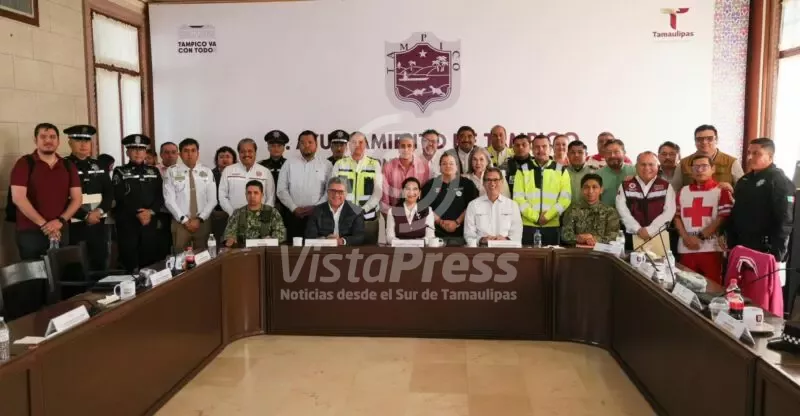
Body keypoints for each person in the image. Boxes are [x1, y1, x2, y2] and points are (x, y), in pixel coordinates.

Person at [10, 123, 82, 260]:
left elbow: (77, 198)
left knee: (61, 271)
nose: (48, 140)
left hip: (60, 230)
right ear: (35, 140)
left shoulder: (68, 165)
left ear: (58, 141)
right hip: (31, 232)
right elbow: (18, 198)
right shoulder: (24, 163)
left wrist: (60, 221)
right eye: (43, 137)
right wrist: (45, 225)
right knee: (34, 272)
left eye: (52, 137)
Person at [728, 138, 794, 262]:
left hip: (765, 248)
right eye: (749, 153)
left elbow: (785, 218)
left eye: (756, 153)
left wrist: (778, 250)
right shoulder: (744, 180)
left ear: (770, 156)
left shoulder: (778, 180)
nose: (750, 157)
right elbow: (736, 211)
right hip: (741, 244)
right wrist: (729, 238)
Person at [674, 155, 734, 285]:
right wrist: (686, 238)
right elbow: (677, 217)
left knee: (712, 287)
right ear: (691, 170)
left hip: (711, 248)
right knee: (685, 286)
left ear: (713, 169)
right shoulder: (683, 191)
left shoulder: (721, 191)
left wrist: (700, 237)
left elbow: (722, 217)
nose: (700, 170)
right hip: (686, 247)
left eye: (704, 166)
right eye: (696, 167)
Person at [112, 134, 164, 271]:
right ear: (127, 152)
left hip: (149, 222)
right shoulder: (120, 171)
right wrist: (138, 212)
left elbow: (160, 195)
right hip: (128, 223)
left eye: (141, 149)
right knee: (128, 262)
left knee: (150, 262)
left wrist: (150, 211)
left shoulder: (153, 171)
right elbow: (119, 197)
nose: (137, 152)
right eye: (133, 149)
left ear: (145, 152)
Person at [64, 125, 113, 271]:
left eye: (86, 140)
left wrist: (99, 211)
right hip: (73, 223)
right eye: (78, 140)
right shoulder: (63, 165)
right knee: (75, 265)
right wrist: (85, 215)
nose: (83, 144)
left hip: (98, 221)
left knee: (100, 261)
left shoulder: (99, 165)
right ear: (70, 143)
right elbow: (61, 197)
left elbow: (109, 193)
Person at [512, 134, 572, 246]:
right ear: (532, 149)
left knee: (551, 257)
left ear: (550, 148)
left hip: (552, 225)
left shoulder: (561, 170)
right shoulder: (522, 170)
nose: (541, 150)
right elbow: (518, 198)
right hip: (528, 225)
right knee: (529, 256)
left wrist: (547, 216)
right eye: (537, 147)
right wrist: (535, 217)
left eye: (544, 146)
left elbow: (565, 199)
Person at [163, 138, 217, 251]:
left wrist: (200, 219)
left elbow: (212, 200)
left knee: (204, 255)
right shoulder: (172, 171)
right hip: (180, 223)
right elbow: (169, 200)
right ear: (180, 154)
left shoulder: (206, 171)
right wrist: (184, 220)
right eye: (186, 151)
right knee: (180, 257)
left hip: (202, 223)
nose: (190, 154)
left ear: (198, 153)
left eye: (193, 150)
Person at [277, 130, 333, 239]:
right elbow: (281, 190)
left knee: (317, 248)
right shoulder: (289, 163)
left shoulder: (326, 165)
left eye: (310, 142)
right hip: (294, 216)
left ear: (316, 144)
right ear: (298, 145)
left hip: (318, 216)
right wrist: (294, 208)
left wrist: (316, 208)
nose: (306, 145)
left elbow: (329, 191)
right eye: (302, 143)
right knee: (294, 248)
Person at [616, 152, 676, 250]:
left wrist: (650, 230)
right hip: (631, 235)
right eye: (643, 164)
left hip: (659, 235)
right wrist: (637, 228)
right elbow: (622, 209)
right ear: (636, 166)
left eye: (651, 164)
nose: (647, 168)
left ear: (658, 166)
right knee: (630, 260)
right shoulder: (625, 185)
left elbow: (669, 211)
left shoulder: (666, 186)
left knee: (659, 259)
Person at [331, 131, 383, 243]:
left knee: (371, 251)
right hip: (345, 218)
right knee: (345, 250)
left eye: (361, 142)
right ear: (349, 145)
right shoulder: (340, 164)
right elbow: (333, 192)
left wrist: (364, 209)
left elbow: (378, 192)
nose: (357, 145)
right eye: (354, 142)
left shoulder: (374, 164)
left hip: (368, 218)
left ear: (366, 144)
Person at [421, 153, 479, 246]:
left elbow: (472, 206)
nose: (448, 166)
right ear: (440, 167)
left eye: (451, 163)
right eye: (444, 163)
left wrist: (456, 222)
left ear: (457, 167)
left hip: (462, 235)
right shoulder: (430, 185)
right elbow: (425, 207)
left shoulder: (467, 184)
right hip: (436, 236)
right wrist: (440, 222)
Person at [673, 124, 744, 191]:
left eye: (709, 138)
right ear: (695, 141)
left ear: (716, 140)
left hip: (722, 199)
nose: (704, 142)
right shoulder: (683, 163)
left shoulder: (731, 162)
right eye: (699, 139)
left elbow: (743, 190)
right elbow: (674, 190)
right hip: (692, 199)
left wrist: (732, 190)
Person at [464, 167, 522, 244]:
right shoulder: (473, 205)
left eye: (496, 180)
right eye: (488, 180)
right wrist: (482, 240)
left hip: (506, 248)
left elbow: (517, 233)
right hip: (482, 249)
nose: (492, 183)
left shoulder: (512, 205)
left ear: (502, 182)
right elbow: (469, 234)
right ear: (483, 183)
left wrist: (506, 240)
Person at [219, 138, 275, 216]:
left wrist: (263, 215)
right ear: (239, 153)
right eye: (243, 151)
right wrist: (233, 213)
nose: (246, 154)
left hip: (259, 218)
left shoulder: (265, 172)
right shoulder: (228, 171)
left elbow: (271, 197)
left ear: (255, 153)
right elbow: (222, 195)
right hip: (234, 217)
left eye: (250, 151)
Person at [561, 174, 621, 247]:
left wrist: (595, 239)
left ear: (601, 190)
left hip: (602, 252)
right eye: (586, 187)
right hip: (577, 251)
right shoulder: (572, 210)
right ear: (581, 190)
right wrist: (578, 238)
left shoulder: (610, 212)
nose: (590, 191)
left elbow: (614, 236)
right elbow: (564, 235)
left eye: (594, 187)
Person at [223, 180, 286, 247]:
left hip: (265, 248)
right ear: (245, 195)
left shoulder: (272, 212)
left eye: (256, 193)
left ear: (262, 195)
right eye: (249, 193)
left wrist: (271, 239)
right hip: (243, 250)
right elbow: (229, 233)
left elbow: (281, 233)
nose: (252, 196)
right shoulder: (238, 213)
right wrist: (231, 239)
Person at [305, 177, 365, 245]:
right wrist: (325, 240)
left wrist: (341, 241)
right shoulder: (317, 210)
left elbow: (360, 237)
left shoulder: (356, 211)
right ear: (327, 192)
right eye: (333, 191)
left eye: (340, 192)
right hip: (322, 249)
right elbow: (309, 236)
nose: (336, 195)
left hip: (347, 249)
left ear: (346, 194)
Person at [380, 133, 431, 214]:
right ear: (398, 147)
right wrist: (389, 216)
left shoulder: (424, 167)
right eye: (402, 146)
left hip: (417, 213)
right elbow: (385, 197)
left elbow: (424, 193)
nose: (406, 149)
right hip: (394, 213)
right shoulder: (388, 166)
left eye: (409, 146)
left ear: (414, 148)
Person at [258, 130, 291, 236]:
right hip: (265, 205)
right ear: (268, 147)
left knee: (286, 234)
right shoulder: (261, 166)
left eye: (279, 146)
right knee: (266, 234)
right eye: (272, 145)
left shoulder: (290, 165)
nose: (276, 148)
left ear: (284, 148)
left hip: (286, 207)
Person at [385, 177, 435, 244]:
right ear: (403, 192)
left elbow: (430, 236)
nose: (411, 192)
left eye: (415, 189)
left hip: (421, 249)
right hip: (398, 249)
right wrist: (404, 244)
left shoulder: (428, 211)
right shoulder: (392, 211)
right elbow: (389, 237)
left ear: (419, 193)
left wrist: (415, 243)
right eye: (408, 189)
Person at [597, 139, 636, 206]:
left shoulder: (635, 172)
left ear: (624, 153)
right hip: (606, 212)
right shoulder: (597, 175)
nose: (612, 155)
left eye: (616, 152)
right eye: (608, 152)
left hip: (631, 211)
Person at [211, 146, 237, 244]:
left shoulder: (239, 173)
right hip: (218, 214)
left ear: (234, 159)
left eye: (228, 156)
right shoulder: (210, 174)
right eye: (221, 157)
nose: (224, 159)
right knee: (218, 241)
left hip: (236, 213)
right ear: (216, 160)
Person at [565, 140, 594, 206]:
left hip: (588, 211)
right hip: (566, 211)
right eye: (573, 152)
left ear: (586, 155)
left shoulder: (594, 172)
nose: (576, 155)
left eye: (580, 152)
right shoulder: (561, 172)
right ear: (568, 155)